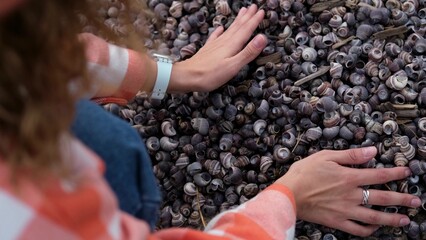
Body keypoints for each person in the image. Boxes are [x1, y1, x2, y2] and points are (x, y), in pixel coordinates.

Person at [0, 0, 421, 239]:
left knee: (109, 143)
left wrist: (171, 73)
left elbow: (29, 59)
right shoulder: (21, 210)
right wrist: (289, 198)